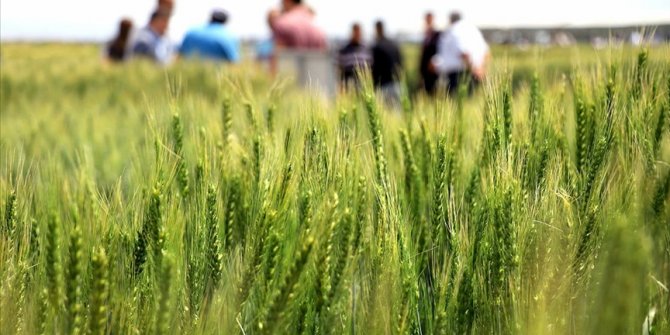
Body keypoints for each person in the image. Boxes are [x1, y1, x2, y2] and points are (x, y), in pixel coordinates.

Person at [431, 12, 490, 95]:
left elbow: (464, 53)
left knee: (457, 102)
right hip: (474, 73)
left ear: (450, 20)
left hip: (458, 75)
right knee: (469, 102)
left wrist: (474, 69)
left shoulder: (453, 31)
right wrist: (481, 69)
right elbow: (486, 52)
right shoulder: (474, 30)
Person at [371, 20, 403, 106]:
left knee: (385, 114)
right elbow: (400, 65)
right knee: (397, 115)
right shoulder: (394, 45)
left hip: (384, 86)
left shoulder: (377, 47)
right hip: (397, 85)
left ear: (377, 29)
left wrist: (373, 86)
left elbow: (374, 69)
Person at [337, 23, 371, 89]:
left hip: (363, 85)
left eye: (358, 32)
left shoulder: (366, 49)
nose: (357, 34)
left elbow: (369, 69)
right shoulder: (344, 50)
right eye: (355, 32)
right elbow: (340, 69)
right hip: (348, 85)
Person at [418, 12, 441, 95]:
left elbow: (440, 51)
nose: (428, 22)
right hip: (425, 71)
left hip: (434, 70)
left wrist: (435, 62)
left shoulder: (438, 34)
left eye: (429, 19)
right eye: (426, 20)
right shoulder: (425, 36)